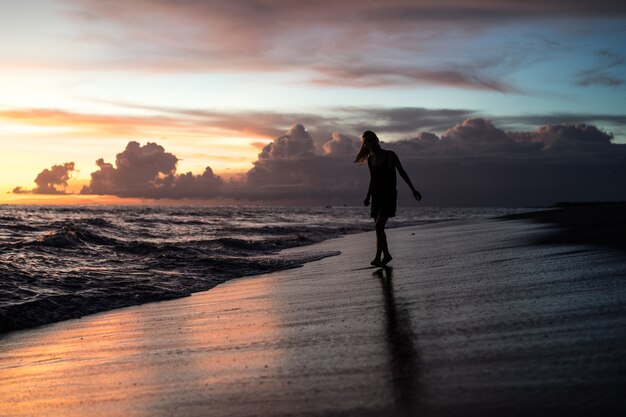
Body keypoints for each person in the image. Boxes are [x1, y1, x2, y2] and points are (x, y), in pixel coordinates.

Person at [354, 130, 421, 266]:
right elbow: (372, 180)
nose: (370, 143)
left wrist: (413, 189)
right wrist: (368, 197)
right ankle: (383, 257)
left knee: (379, 226)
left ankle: (383, 256)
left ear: (377, 139)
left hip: (389, 196)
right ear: (365, 145)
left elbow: (402, 172)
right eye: (367, 142)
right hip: (376, 197)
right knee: (379, 229)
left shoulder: (390, 155)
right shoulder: (370, 160)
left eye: (372, 139)